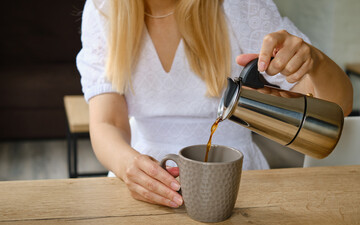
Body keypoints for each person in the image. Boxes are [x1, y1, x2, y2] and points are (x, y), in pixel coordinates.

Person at [76, 0, 353, 208]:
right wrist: (128, 166)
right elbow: (107, 122)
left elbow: (337, 107)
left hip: (238, 184)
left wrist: (314, 61)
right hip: (143, 184)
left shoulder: (238, 5)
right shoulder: (104, 9)